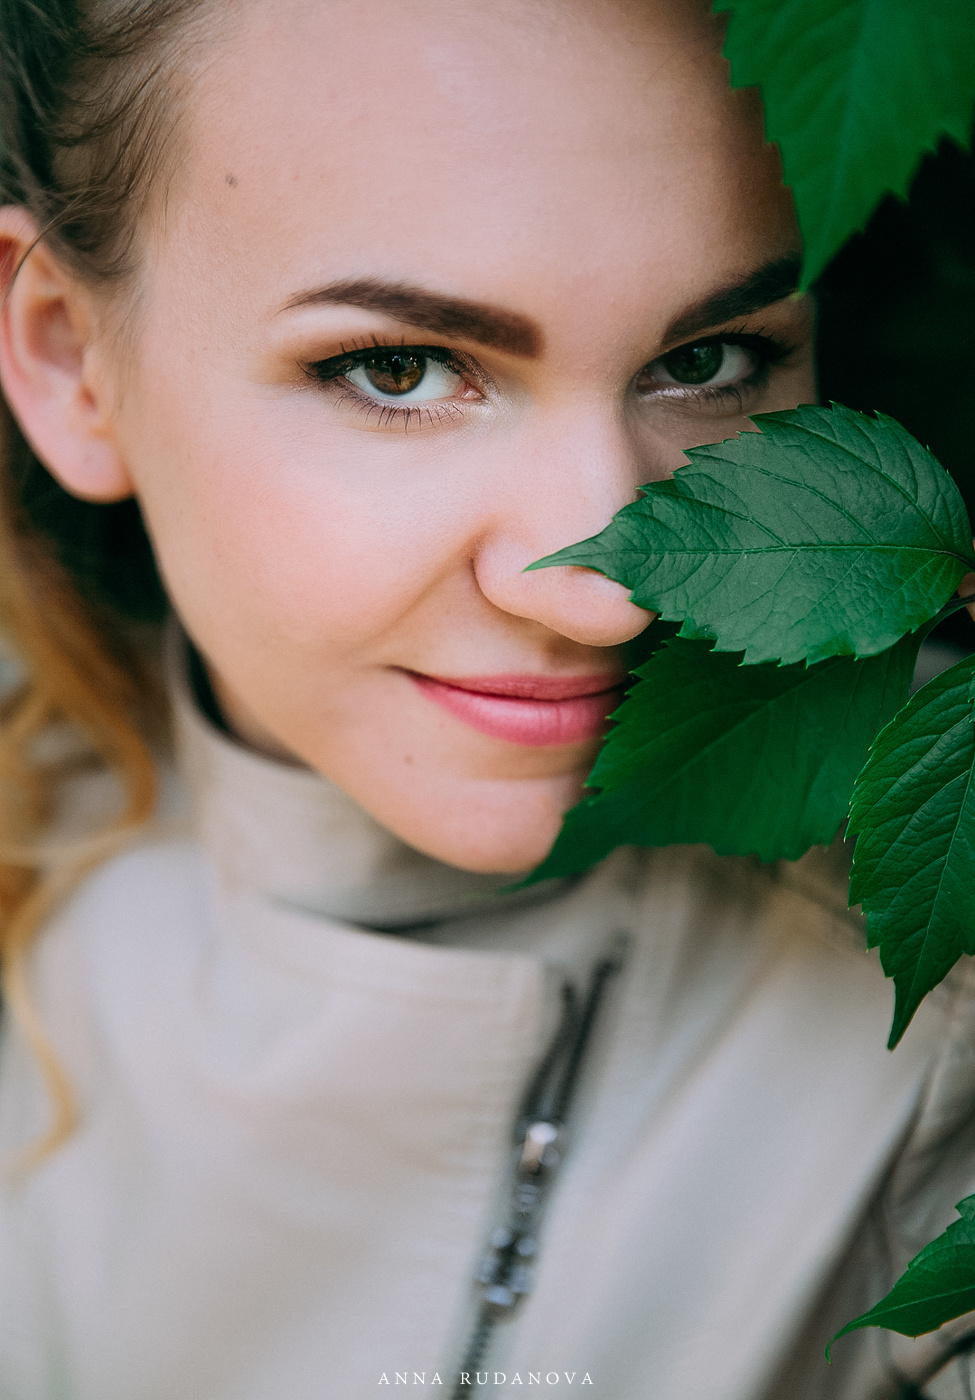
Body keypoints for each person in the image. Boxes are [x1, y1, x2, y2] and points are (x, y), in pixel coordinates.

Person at [0, 2, 974, 1397]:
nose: (604, 598)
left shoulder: (936, 1022)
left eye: (708, 360)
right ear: (66, 357)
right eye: (397, 370)